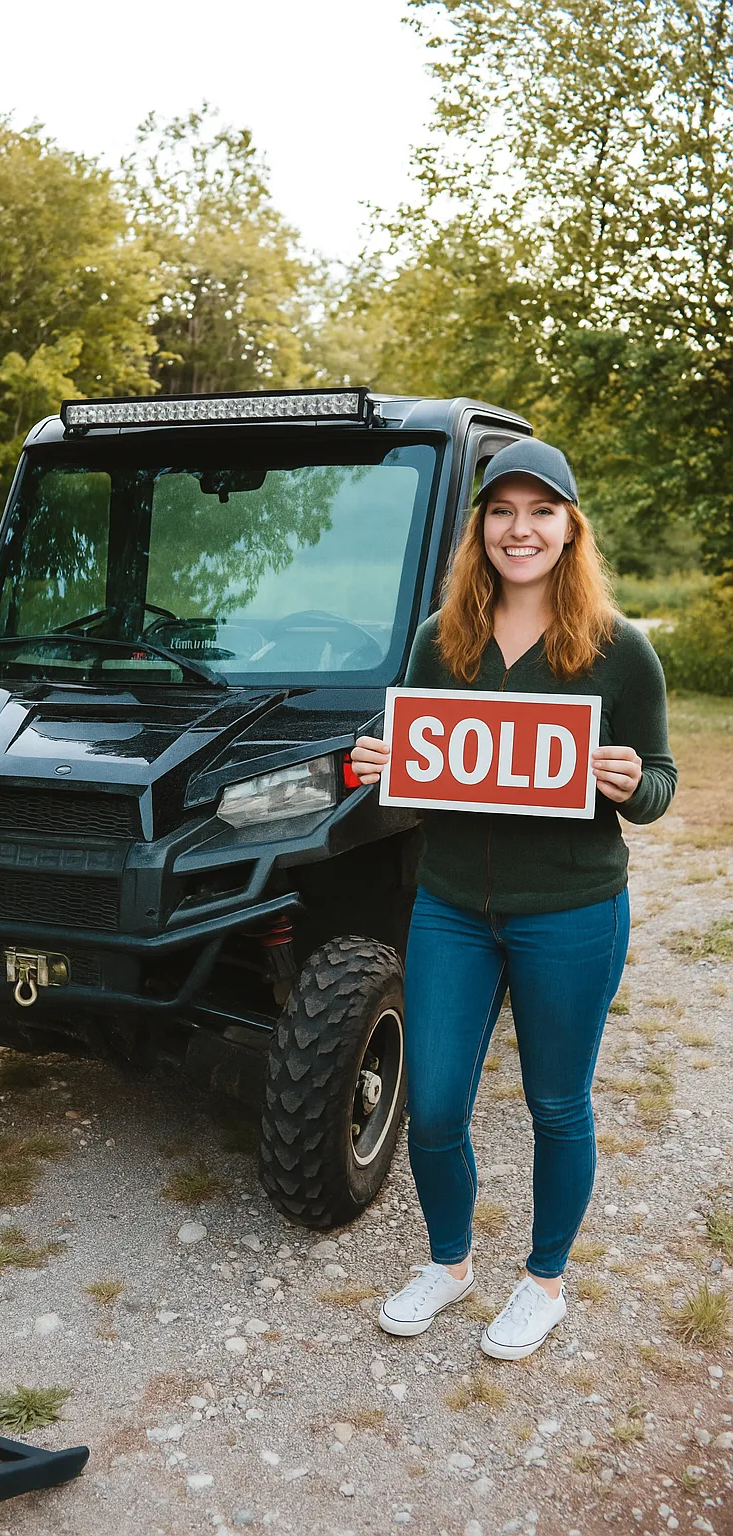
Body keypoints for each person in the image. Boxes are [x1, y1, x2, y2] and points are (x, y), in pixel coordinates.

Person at [351, 438, 677, 1361]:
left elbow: (659, 781)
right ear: (481, 529)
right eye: (502, 511)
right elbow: (416, 763)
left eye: (540, 512)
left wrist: (632, 783)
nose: (519, 529)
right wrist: (380, 762)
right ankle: (449, 1265)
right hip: (451, 905)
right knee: (435, 1106)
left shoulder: (620, 650)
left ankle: (544, 1283)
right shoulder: (438, 639)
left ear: (570, 528)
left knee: (557, 1104)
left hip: (571, 912)